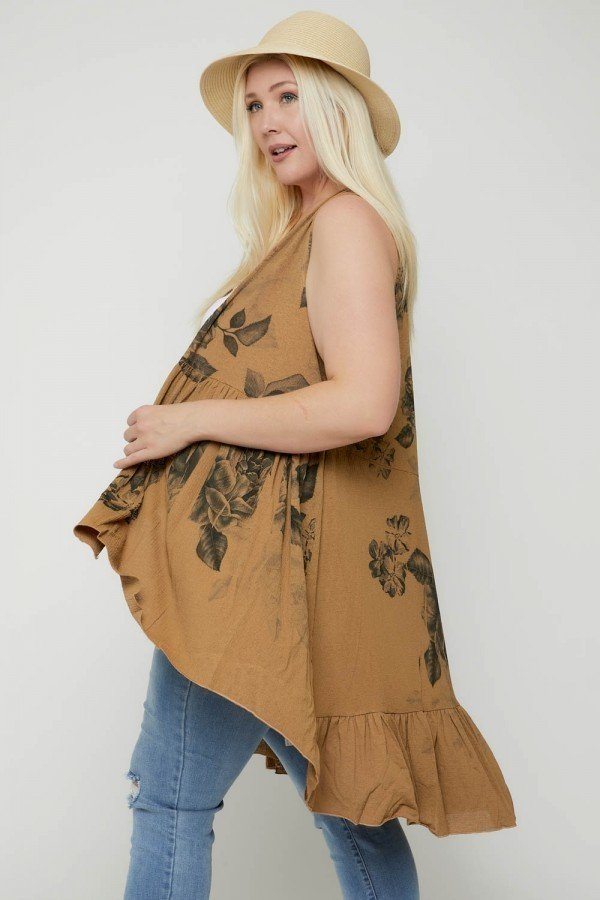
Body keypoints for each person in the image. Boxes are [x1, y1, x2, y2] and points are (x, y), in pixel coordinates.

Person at [73, 11, 516, 899]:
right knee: (351, 809)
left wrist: (190, 421)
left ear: (337, 108)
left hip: (266, 582)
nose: (269, 121)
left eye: (289, 97)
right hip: (299, 571)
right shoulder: (307, 229)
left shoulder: (344, 223)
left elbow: (363, 403)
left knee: (170, 800)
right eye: (255, 105)